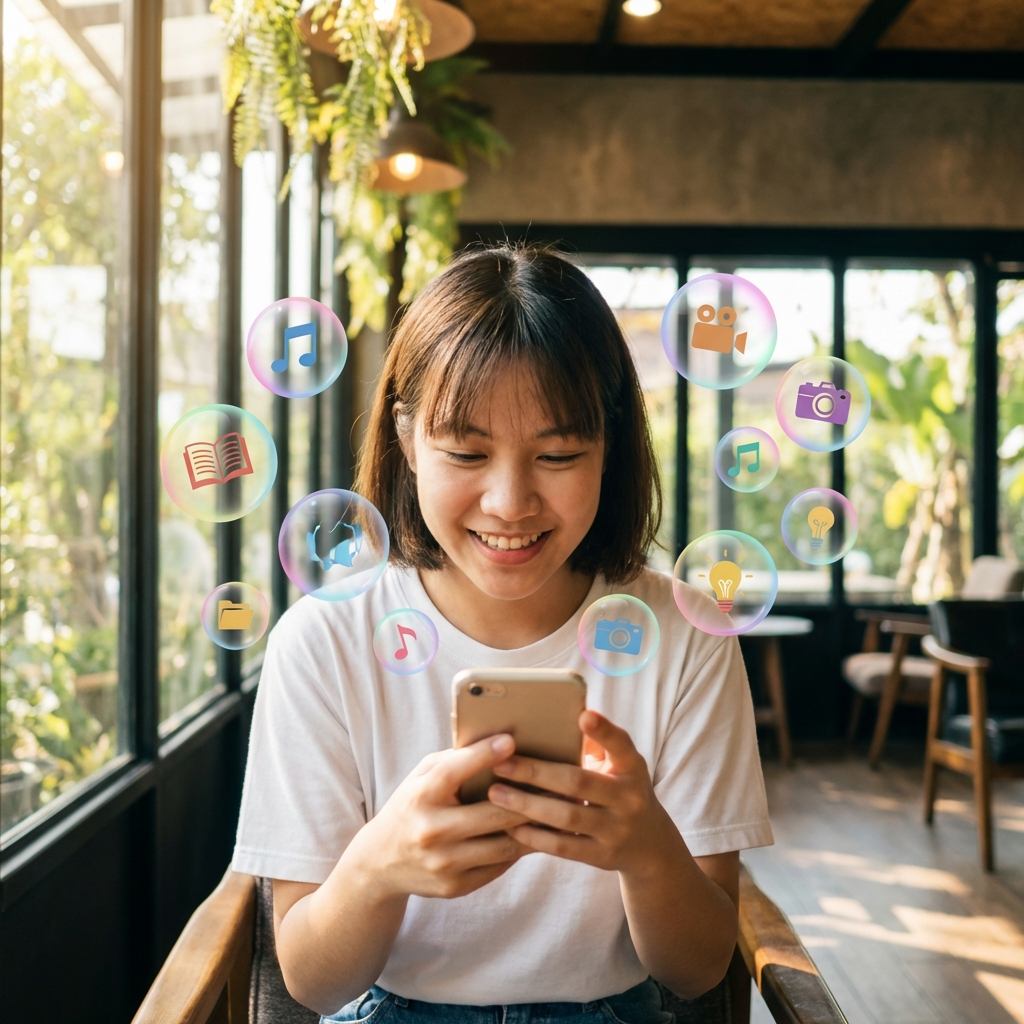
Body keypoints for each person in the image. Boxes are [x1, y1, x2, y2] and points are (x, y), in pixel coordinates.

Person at [232, 243, 772, 1024]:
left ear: (610, 447)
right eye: (466, 452)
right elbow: (312, 983)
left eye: (558, 454)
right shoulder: (322, 641)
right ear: (408, 439)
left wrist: (646, 848)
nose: (510, 502)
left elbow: (696, 973)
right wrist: (379, 867)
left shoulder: (688, 636)